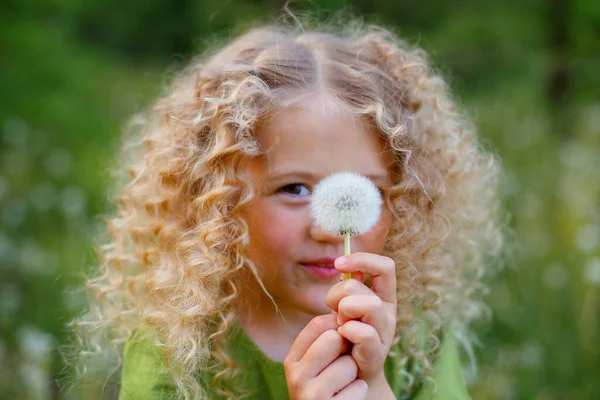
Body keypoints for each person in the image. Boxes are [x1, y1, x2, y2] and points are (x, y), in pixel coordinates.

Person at [71, 13, 504, 400]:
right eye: (295, 188)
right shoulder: (176, 348)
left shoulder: (413, 335)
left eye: (365, 191)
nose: (331, 229)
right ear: (218, 203)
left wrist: (376, 391)